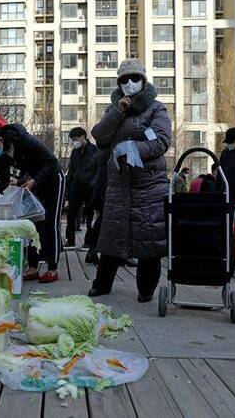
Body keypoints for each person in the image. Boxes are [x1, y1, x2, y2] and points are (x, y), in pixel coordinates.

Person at [87, 59, 171, 300]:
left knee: (148, 238)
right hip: (119, 183)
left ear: (143, 81)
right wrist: (118, 111)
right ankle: (102, 283)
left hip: (150, 184)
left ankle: (146, 289)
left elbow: (162, 141)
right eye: (124, 79)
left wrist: (133, 148)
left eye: (135, 78)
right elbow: (100, 137)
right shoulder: (113, 110)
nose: (130, 83)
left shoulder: (156, 109)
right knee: (112, 234)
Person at [0, 123, 65, 283]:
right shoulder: (2, 154)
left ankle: (52, 268)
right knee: (31, 225)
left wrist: (35, 179)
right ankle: (33, 267)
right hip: (32, 183)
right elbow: (3, 180)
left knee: (50, 222)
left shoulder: (26, 141)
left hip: (53, 179)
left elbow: (52, 162)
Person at [65, 127, 97, 248]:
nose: (74, 142)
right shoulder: (75, 152)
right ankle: (70, 240)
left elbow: (97, 170)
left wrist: (94, 184)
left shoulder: (94, 150)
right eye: (73, 140)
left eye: (76, 139)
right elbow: (72, 170)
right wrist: (67, 187)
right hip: (76, 187)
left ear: (83, 137)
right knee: (71, 213)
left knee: (89, 214)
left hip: (89, 187)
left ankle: (88, 241)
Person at [215, 127, 235, 203]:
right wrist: (217, 192)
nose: (229, 144)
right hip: (227, 193)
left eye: (231, 142)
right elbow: (220, 174)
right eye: (228, 142)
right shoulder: (225, 153)